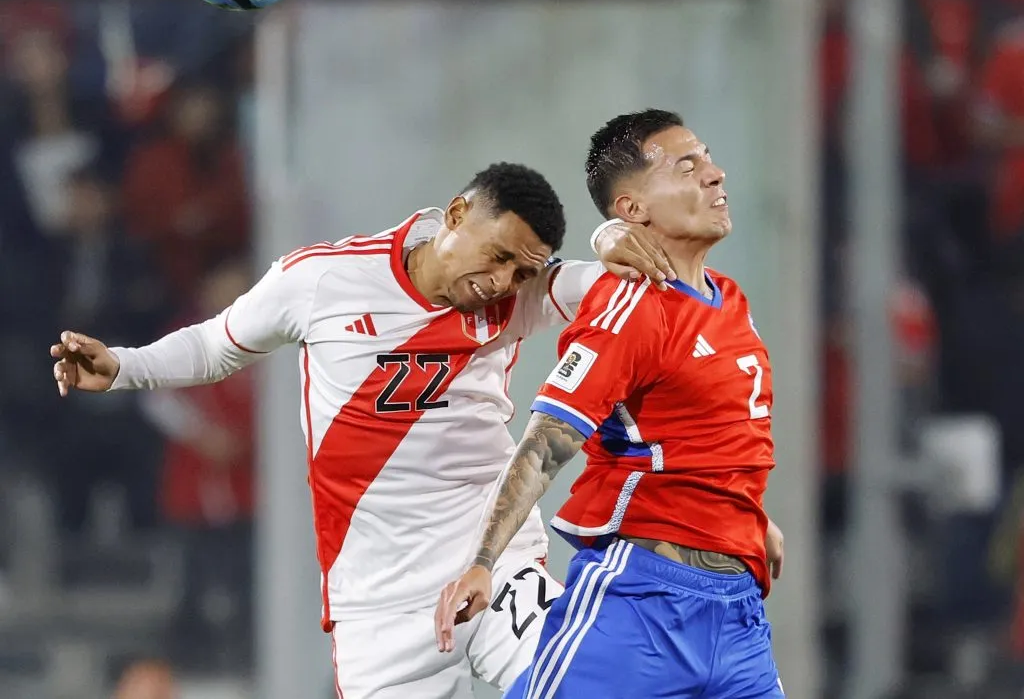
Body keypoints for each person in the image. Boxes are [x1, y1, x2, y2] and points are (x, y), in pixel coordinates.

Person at [51, 162, 674, 699]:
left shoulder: (521, 293)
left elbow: (607, 284)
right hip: (377, 604)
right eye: (500, 256)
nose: (503, 280)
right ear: (457, 214)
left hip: (492, 566)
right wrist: (125, 366)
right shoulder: (324, 280)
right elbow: (219, 345)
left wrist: (612, 235)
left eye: (522, 269)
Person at [435, 112, 786, 698]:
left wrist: (747, 513)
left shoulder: (730, 301)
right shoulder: (632, 309)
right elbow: (546, 442)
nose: (716, 175)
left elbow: (705, 430)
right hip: (643, 606)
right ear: (633, 208)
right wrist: (483, 561)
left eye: (708, 158)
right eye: (687, 166)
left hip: (738, 614)